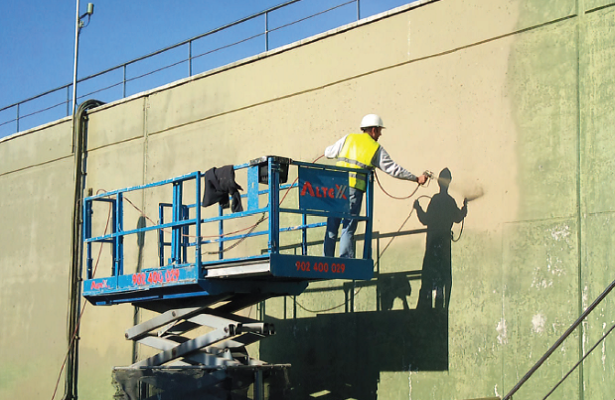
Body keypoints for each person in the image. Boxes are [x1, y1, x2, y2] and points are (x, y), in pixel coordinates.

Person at [323, 114, 428, 258]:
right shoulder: (374, 148)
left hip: (337, 188)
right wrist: (416, 178)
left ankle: (327, 258)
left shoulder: (349, 138)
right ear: (373, 130)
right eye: (379, 131)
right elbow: (394, 169)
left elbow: (328, 152)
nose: (380, 134)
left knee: (332, 223)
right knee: (348, 226)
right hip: (354, 189)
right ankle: (345, 259)